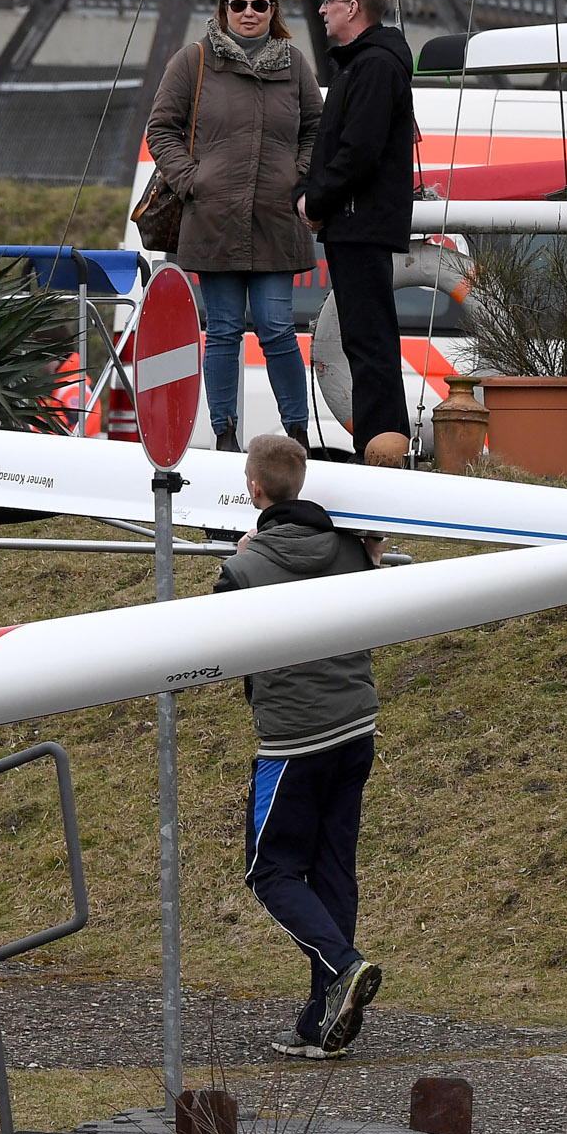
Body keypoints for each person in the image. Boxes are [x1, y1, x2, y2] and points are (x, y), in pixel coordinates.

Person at [215, 434, 383, 1058]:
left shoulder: (244, 568)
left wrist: (238, 564)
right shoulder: (350, 549)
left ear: (253, 490)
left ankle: (342, 966)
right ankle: (323, 1021)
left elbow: (219, 646)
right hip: (356, 728)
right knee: (333, 869)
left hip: (292, 741)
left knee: (272, 871)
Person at [145, 0, 322, 452]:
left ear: (273, 12)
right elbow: (160, 128)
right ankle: (224, 435)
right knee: (222, 330)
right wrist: (191, 179)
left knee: (276, 328)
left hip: (276, 219)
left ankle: (296, 437)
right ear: (224, 10)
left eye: (259, 5)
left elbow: (315, 129)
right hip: (214, 219)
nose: (248, 13)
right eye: (238, 4)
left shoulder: (295, 65)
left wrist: (298, 174)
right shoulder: (194, 60)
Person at [298, 0, 416, 469]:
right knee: (366, 338)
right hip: (357, 221)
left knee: (368, 340)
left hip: (359, 221)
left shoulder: (372, 67)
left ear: (353, 9)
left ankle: (381, 449)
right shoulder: (366, 64)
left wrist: (315, 200)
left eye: (330, 1)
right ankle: (379, 443)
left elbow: (358, 150)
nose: (322, 9)